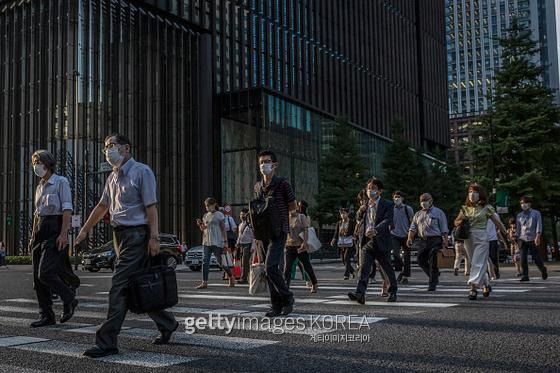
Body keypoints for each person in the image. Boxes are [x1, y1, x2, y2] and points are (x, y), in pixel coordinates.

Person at [75, 134, 178, 358]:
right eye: (105, 147)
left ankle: (106, 342)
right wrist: (84, 230)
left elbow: (151, 207)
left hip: (138, 236)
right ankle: (167, 323)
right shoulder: (112, 177)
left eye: (112, 146)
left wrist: (154, 237)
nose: (108, 150)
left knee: (119, 286)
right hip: (119, 237)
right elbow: (102, 206)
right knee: (137, 286)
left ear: (127, 149)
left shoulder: (142, 171)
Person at [28, 150, 78, 328]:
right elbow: (37, 214)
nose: (35, 165)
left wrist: (64, 234)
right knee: (37, 277)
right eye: (34, 162)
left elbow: (67, 209)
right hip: (40, 230)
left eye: (37, 161)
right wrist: (33, 236)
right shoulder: (40, 186)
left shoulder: (60, 182)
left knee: (45, 272)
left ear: (47, 163)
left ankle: (69, 298)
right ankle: (46, 315)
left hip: (55, 227)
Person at [253, 150, 296, 317]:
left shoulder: (283, 184)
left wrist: (285, 221)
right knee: (268, 269)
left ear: (275, 165)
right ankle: (275, 306)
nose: (264, 165)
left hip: (279, 231)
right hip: (262, 233)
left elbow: (292, 206)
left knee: (271, 266)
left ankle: (288, 298)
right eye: (261, 162)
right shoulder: (257, 186)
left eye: (267, 161)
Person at [348, 178, 397, 304]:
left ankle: (392, 292)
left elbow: (388, 220)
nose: (370, 191)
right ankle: (360, 293)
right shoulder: (365, 205)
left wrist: (376, 229)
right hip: (367, 242)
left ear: (380, 191)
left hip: (381, 240)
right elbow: (358, 219)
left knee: (386, 267)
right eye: (368, 188)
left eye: (373, 188)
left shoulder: (388, 204)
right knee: (364, 268)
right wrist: (361, 209)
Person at [454, 183, 507, 300]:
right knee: (475, 262)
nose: (472, 194)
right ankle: (486, 284)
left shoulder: (487, 208)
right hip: (468, 237)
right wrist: (461, 220)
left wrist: (507, 234)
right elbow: (456, 222)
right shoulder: (464, 208)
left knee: (478, 262)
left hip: (482, 237)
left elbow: (497, 222)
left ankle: (472, 288)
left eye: (475, 192)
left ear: (480, 194)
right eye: (470, 192)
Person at [407, 193, 449, 291]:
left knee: (433, 261)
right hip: (423, 240)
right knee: (420, 260)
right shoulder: (418, 214)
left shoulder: (439, 212)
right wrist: (409, 238)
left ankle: (432, 284)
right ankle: (434, 275)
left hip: (435, 239)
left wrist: (445, 240)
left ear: (431, 200)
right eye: (422, 200)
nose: (424, 202)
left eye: (426, 200)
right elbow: (413, 228)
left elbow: (444, 228)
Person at [196, 198, 236, 288]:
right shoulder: (206, 215)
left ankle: (231, 276)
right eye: (206, 206)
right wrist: (200, 225)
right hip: (206, 241)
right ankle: (204, 282)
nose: (207, 207)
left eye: (208, 205)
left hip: (217, 241)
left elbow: (223, 229)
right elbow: (204, 229)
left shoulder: (219, 215)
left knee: (221, 263)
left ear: (214, 204)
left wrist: (225, 242)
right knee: (205, 261)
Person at [284, 200, 318, 293]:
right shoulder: (286, 218)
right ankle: (285, 286)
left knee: (306, 265)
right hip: (289, 245)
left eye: (292, 207)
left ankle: (314, 283)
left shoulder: (301, 217)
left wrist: (304, 242)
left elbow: (306, 230)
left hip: (300, 246)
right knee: (287, 267)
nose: (291, 210)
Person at [515, 196, 547, 282]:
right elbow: (518, 228)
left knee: (536, 257)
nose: (522, 205)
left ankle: (542, 269)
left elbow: (539, 225)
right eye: (521, 203)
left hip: (532, 238)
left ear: (529, 204)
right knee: (522, 258)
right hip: (522, 238)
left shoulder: (536, 213)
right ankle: (525, 275)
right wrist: (516, 238)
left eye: (524, 203)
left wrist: (538, 236)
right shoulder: (519, 215)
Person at [390, 191, 414, 284]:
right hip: (394, 234)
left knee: (407, 256)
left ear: (402, 198)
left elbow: (413, 222)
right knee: (395, 253)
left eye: (398, 197)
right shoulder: (391, 209)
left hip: (406, 235)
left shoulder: (408, 209)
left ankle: (404, 276)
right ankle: (403, 268)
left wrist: (411, 235)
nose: (396, 199)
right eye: (395, 197)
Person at [330, 208, 356, 280]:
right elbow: (336, 232)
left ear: (347, 214)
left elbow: (355, 231)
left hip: (349, 243)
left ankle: (346, 275)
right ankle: (352, 271)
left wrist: (354, 236)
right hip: (341, 243)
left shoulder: (351, 222)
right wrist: (333, 239)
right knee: (343, 260)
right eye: (341, 213)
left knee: (346, 258)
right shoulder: (339, 223)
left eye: (344, 213)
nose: (342, 215)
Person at [236, 208, 254, 284]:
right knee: (242, 262)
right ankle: (246, 277)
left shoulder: (250, 225)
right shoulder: (240, 225)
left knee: (245, 262)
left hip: (248, 244)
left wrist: (253, 247)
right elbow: (239, 235)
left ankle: (244, 278)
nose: (242, 216)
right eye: (241, 214)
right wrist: (237, 243)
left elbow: (254, 237)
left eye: (243, 214)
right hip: (241, 245)